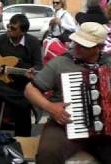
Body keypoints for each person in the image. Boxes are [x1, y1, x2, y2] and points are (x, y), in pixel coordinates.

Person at [24, 22, 111, 164]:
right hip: (64, 124)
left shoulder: (108, 63)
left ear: (99, 48)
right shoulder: (60, 63)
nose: (77, 48)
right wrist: (50, 107)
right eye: (76, 42)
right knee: (48, 155)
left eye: (84, 45)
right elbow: (30, 89)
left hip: (105, 131)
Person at [0, 14, 42, 136]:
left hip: (22, 82)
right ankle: (27, 103)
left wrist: (33, 70)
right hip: (3, 84)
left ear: (23, 31)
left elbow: (39, 66)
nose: (9, 30)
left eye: (13, 28)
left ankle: (22, 141)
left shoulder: (33, 42)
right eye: (8, 26)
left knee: (23, 99)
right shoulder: (0, 40)